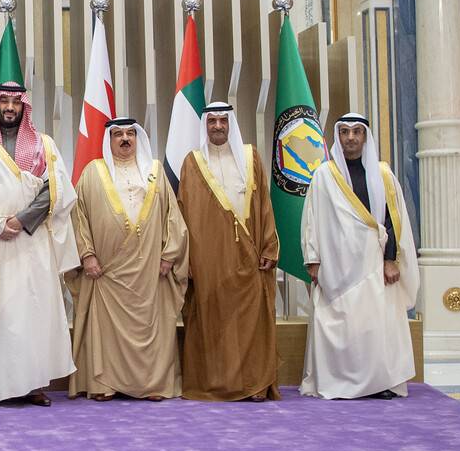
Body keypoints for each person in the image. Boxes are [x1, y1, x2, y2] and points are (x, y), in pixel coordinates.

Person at [0, 81, 79, 406]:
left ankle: (32, 385)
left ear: (24, 107)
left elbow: (57, 190)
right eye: (4, 101)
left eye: (15, 102)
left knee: (31, 315)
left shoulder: (43, 146)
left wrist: (21, 220)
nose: (10, 107)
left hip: (30, 242)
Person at [301, 113, 419, 399]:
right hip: (336, 265)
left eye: (357, 132)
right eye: (344, 132)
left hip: (374, 263)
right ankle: (339, 382)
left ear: (365, 137)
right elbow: (311, 220)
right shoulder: (324, 176)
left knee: (376, 325)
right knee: (341, 324)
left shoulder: (383, 174)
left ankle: (380, 383)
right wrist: (313, 259)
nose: (351, 138)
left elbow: (394, 220)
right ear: (337, 137)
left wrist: (391, 259)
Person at [68, 118, 188, 401]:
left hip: (150, 271)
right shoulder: (93, 172)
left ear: (139, 139)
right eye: (118, 134)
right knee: (106, 332)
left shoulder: (155, 171)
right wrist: (87, 255)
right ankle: (104, 384)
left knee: (152, 328)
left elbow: (174, 217)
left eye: (131, 134)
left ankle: (153, 384)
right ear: (109, 141)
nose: (125, 139)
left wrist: (170, 255)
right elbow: (78, 217)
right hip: (105, 272)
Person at [176, 102, 280, 401]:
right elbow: (183, 214)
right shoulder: (193, 163)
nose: (218, 126)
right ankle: (218, 383)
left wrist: (270, 245)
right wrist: (189, 260)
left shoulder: (250, 157)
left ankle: (255, 384)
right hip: (208, 257)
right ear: (205, 126)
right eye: (212, 122)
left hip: (249, 252)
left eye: (223, 121)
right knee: (214, 320)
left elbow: (265, 207)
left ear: (230, 124)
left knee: (251, 318)